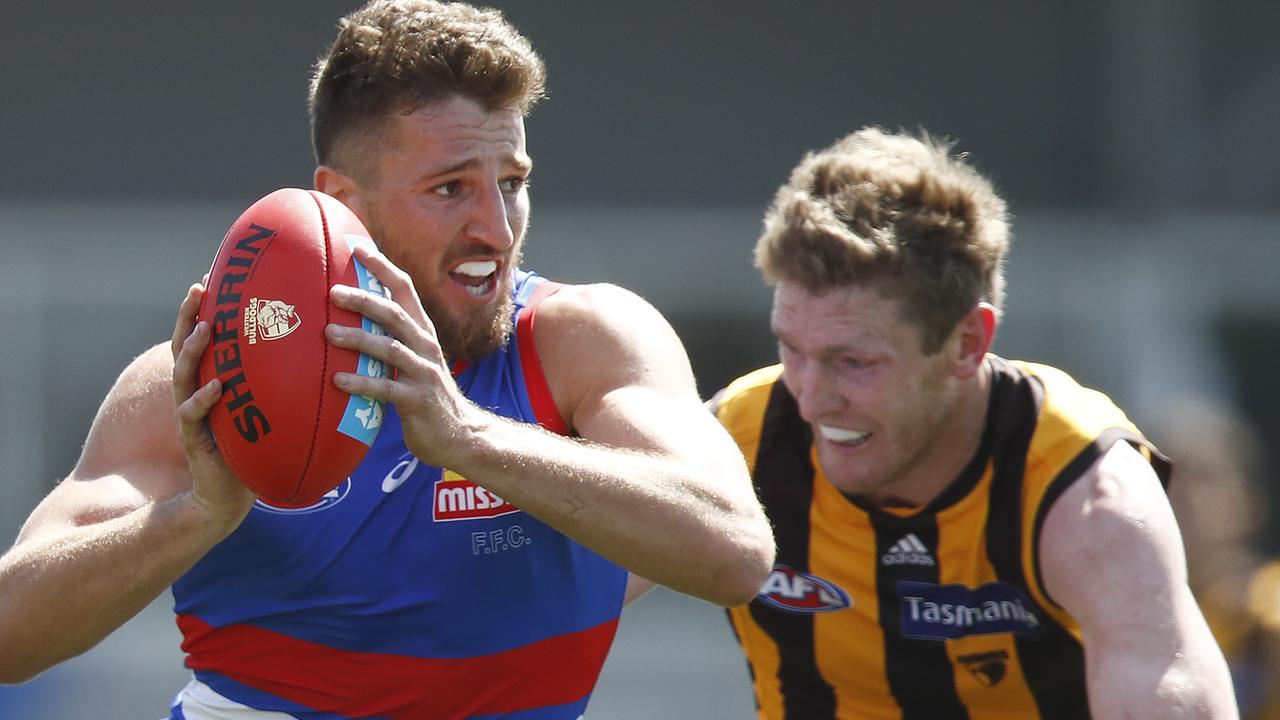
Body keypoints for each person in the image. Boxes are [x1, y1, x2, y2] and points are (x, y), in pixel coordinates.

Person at [0, 1, 774, 717]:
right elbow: (10, 637)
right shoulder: (210, 381)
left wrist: (470, 439)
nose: (497, 231)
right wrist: (195, 517)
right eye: (450, 189)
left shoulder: (581, 343)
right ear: (343, 203)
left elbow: (735, 554)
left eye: (511, 183)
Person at [711, 127, 1238, 718]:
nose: (809, 400)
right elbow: (590, 574)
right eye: (791, 349)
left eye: (852, 362)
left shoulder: (1082, 490)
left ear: (967, 342)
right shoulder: (739, 439)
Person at [1156, 398, 1280, 719]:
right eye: (1165, 479)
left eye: (1205, 478)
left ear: (1250, 503)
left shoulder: (1269, 605)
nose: (1183, 496)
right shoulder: (1125, 614)